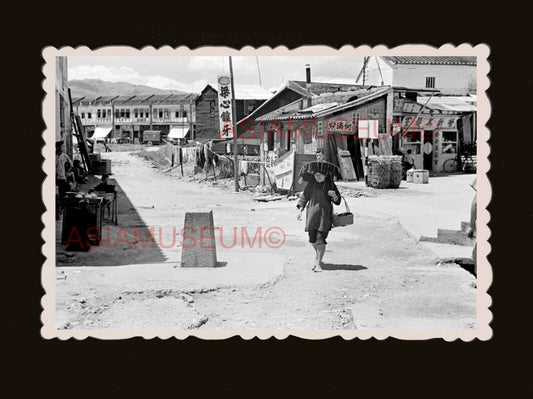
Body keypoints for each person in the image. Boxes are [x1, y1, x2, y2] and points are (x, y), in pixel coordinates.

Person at [297, 170, 342, 272]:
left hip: (324, 216)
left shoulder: (330, 184)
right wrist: (300, 210)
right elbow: (304, 198)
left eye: (320, 175)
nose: (317, 177)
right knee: (312, 240)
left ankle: (318, 263)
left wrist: (334, 196)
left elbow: (338, 200)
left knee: (320, 239)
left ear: (325, 175)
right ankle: (318, 256)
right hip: (312, 216)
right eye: (315, 175)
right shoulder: (311, 185)